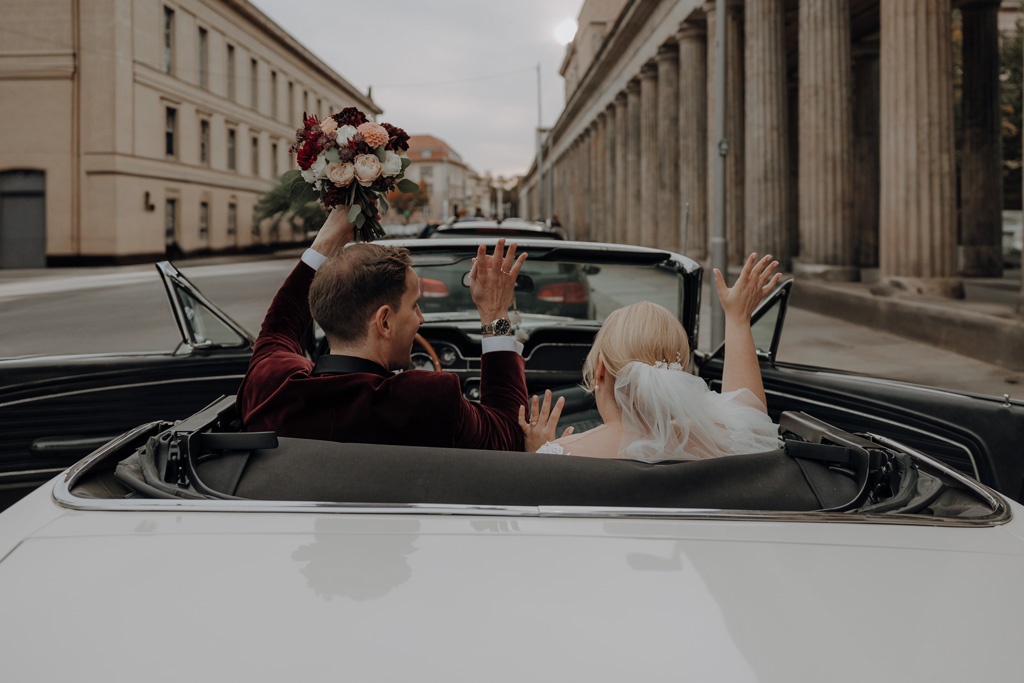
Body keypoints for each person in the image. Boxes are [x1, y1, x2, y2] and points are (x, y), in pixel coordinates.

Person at [237, 207, 529, 451]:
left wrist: (325, 242)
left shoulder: (271, 384)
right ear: (384, 321)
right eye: (414, 305)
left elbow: (278, 328)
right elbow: (507, 434)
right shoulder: (426, 400)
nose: (421, 319)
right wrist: (494, 315)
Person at [520, 253, 782, 461]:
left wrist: (537, 453)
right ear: (676, 375)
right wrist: (737, 320)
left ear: (600, 370)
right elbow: (749, 412)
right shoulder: (717, 442)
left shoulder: (562, 456)